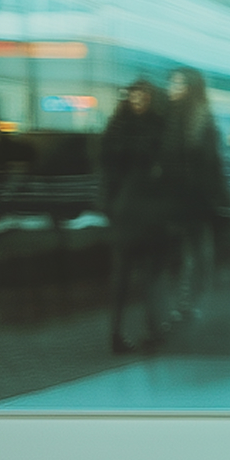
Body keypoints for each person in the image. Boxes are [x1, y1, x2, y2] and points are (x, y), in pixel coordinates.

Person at [101, 79, 170, 353]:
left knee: (133, 274)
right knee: (142, 274)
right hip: (138, 211)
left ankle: (132, 332)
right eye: (135, 96)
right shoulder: (157, 127)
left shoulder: (118, 128)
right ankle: (140, 332)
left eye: (143, 96)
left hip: (132, 210)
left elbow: (107, 170)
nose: (138, 101)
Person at [160, 66, 230, 323]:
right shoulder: (171, 118)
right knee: (187, 255)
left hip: (194, 203)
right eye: (172, 83)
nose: (173, 89)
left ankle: (190, 304)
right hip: (177, 201)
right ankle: (186, 303)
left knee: (194, 255)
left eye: (179, 84)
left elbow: (211, 166)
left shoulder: (201, 121)